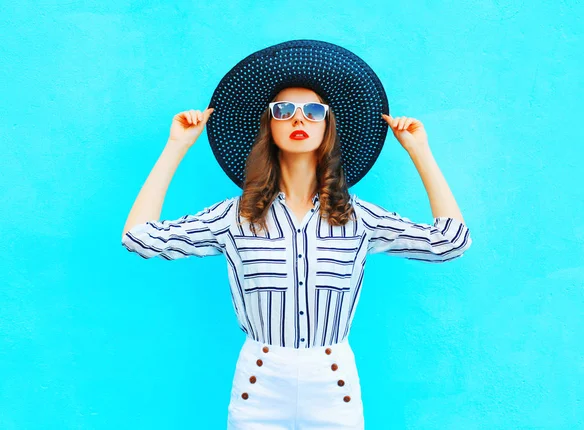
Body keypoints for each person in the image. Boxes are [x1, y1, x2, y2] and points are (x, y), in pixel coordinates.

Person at [121, 40, 472, 430]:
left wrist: (419, 151)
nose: (298, 120)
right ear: (269, 126)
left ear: (328, 125)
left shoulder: (360, 219)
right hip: (259, 385)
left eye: (313, 111)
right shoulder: (233, 217)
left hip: (334, 384)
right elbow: (140, 237)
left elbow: (450, 241)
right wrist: (176, 146)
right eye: (283, 110)